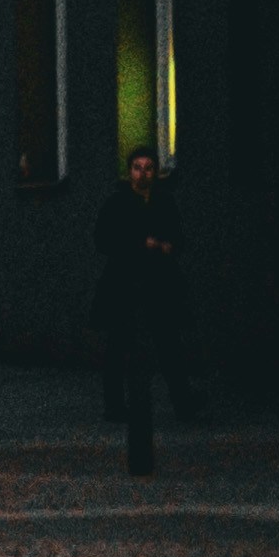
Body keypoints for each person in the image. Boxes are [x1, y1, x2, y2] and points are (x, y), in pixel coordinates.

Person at [97, 151, 181, 425]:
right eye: (137, 168)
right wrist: (140, 244)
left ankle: (184, 399)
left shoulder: (163, 201)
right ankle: (114, 405)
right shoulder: (117, 203)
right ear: (129, 171)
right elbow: (104, 239)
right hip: (125, 282)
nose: (142, 174)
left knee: (167, 341)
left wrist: (168, 245)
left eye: (148, 168)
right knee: (119, 346)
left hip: (156, 281)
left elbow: (177, 235)